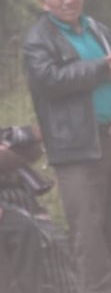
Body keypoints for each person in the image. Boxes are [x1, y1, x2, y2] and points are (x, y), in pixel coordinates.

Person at [22, 0, 111, 293]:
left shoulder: (97, 29)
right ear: (44, 2)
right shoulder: (39, 39)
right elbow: (49, 81)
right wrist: (101, 68)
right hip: (78, 149)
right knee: (88, 235)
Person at [0, 124, 78, 293]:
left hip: (21, 201)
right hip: (11, 212)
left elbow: (33, 148)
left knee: (53, 244)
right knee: (25, 231)